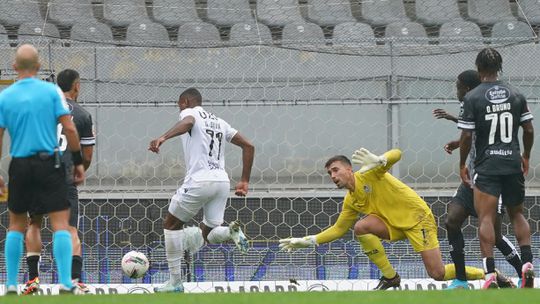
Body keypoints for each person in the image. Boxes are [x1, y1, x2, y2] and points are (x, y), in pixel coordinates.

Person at [279, 148, 485, 290]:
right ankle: (390, 276)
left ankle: (485, 275)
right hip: (394, 226)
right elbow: (338, 229)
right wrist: (308, 240)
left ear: (349, 169)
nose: (332, 176)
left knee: (437, 274)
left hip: (418, 220)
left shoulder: (370, 173)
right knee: (361, 227)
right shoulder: (351, 200)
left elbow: (397, 153)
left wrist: (381, 160)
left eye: (335, 170)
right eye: (329, 173)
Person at [148, 88, 255, 293]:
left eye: (179, 105)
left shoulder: (191, 113)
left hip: (200, 180)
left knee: (171, 224)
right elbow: (249, 146)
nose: (179, 109)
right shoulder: (219, 121)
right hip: (221, 182)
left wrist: (163, 137)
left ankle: (175, 282)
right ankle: (231, 232)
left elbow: (189, 122)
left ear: (185, 102)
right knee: (209, 233)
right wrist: (244, 181)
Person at [0, 44, 85, 295]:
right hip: (50, 162)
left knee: (16, 224)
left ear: (14, 67)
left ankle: (12, 283)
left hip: (20, 164)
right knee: (60, 224)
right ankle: (66, 283)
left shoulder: (5, 96)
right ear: (38, 67)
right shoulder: (52, 92)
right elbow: (69, 129)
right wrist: (78, 162)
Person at [433, 70, 521, 289]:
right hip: (469, 183)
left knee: (496, 236)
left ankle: (524, 273)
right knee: (451, 221)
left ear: (468, 88)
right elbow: (472, 132)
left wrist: (457, 130)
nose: (456, 90)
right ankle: (461, 280)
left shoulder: (480, 103)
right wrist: (457, 140)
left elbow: (481, 131)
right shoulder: (470, 105)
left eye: (458, 86)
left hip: (488, 180)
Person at [458, 48, 535, 289]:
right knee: (517, 214)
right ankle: (527, 264)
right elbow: (529, 130)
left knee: (486, 218)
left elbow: (467, 136)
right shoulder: (516, 94)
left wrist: (462, 164)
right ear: (500, 67)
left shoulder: (473, 97)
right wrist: (525, 155)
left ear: (478, 69)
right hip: (512, 162)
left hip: (487, 166)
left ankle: (489, 273)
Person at [22, 69, 95, 295]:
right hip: (64, 177)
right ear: (77, 86)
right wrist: (78, 170)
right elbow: (88, 156)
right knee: (69, 229)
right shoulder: (82, 115)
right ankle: (72, 281)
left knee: (34, 224)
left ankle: (33, 280)